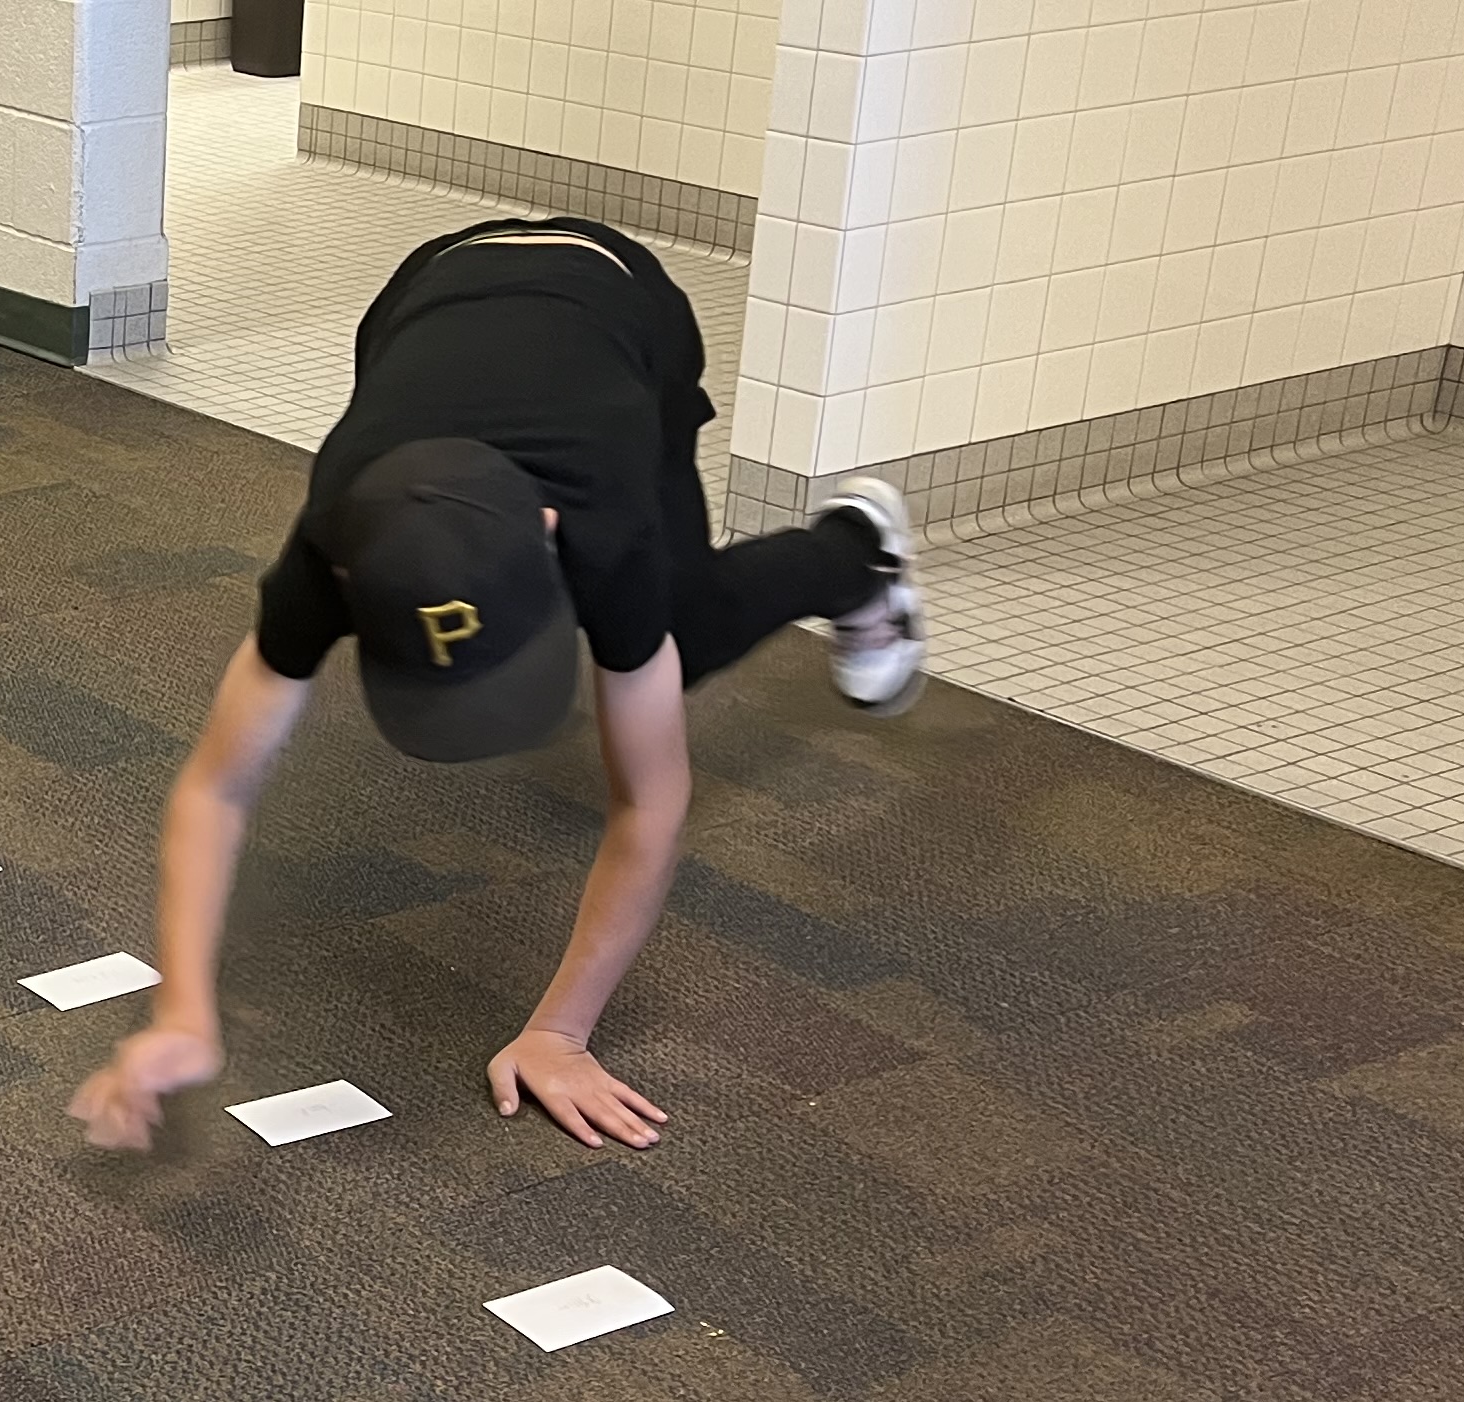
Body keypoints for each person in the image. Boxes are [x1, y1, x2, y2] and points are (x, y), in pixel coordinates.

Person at [71, 217, 927, 1157]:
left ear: (553, 532)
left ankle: (861, 551)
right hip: (425, 290)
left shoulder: (606, 525)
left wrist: (560, 1032)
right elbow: (214, 787)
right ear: (352, 584)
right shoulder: (338, 543)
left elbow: (652, 802)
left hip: (618, 304)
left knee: (683, 632)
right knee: (567, 610)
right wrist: (182, 1013)